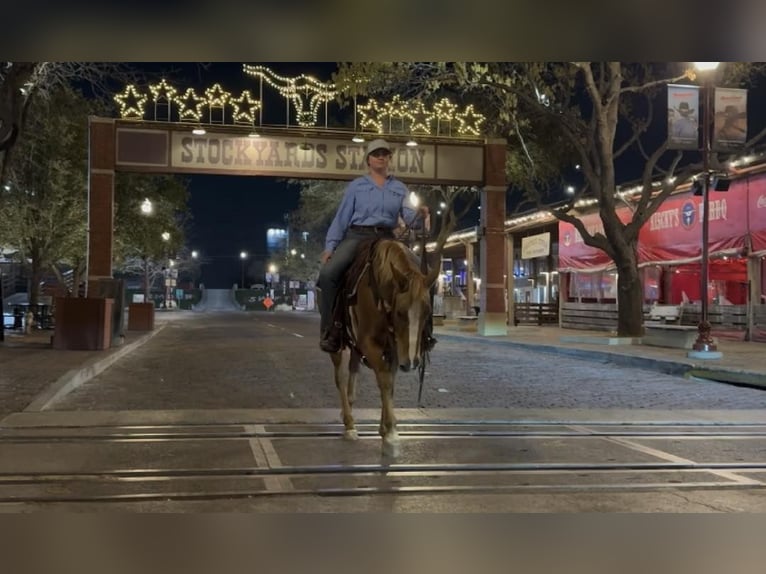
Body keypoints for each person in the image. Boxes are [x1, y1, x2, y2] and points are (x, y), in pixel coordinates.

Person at [317, 138, 430, 353]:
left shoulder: (399, 188)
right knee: (328, 273)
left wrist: (421, 215)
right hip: (357, 236)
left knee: (424, 276)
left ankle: (425, 334)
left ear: (389, 159)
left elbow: (410, 220)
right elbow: (342, 218)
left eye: (384, 154)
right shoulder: (356, 186)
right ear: (368, 160)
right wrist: (330, 247)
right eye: (376, 153)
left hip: (388, 238)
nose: (380, 157)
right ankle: (331, 330)